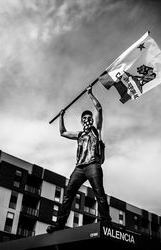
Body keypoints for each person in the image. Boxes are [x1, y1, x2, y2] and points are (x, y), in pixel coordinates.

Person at [46, 85, 111, 234]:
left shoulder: (97, 131)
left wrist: (90, 94)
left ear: (92, 121)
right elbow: (62, 132)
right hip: (80, 168)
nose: (87, 120)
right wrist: (61, 116)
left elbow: (99, 109)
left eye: (89, 118)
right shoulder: (79, 134)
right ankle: (59, 225)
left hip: (93, 165)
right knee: (68, 195)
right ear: (82, 122)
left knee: (99, 193)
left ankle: (106, 222)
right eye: (84, 119)